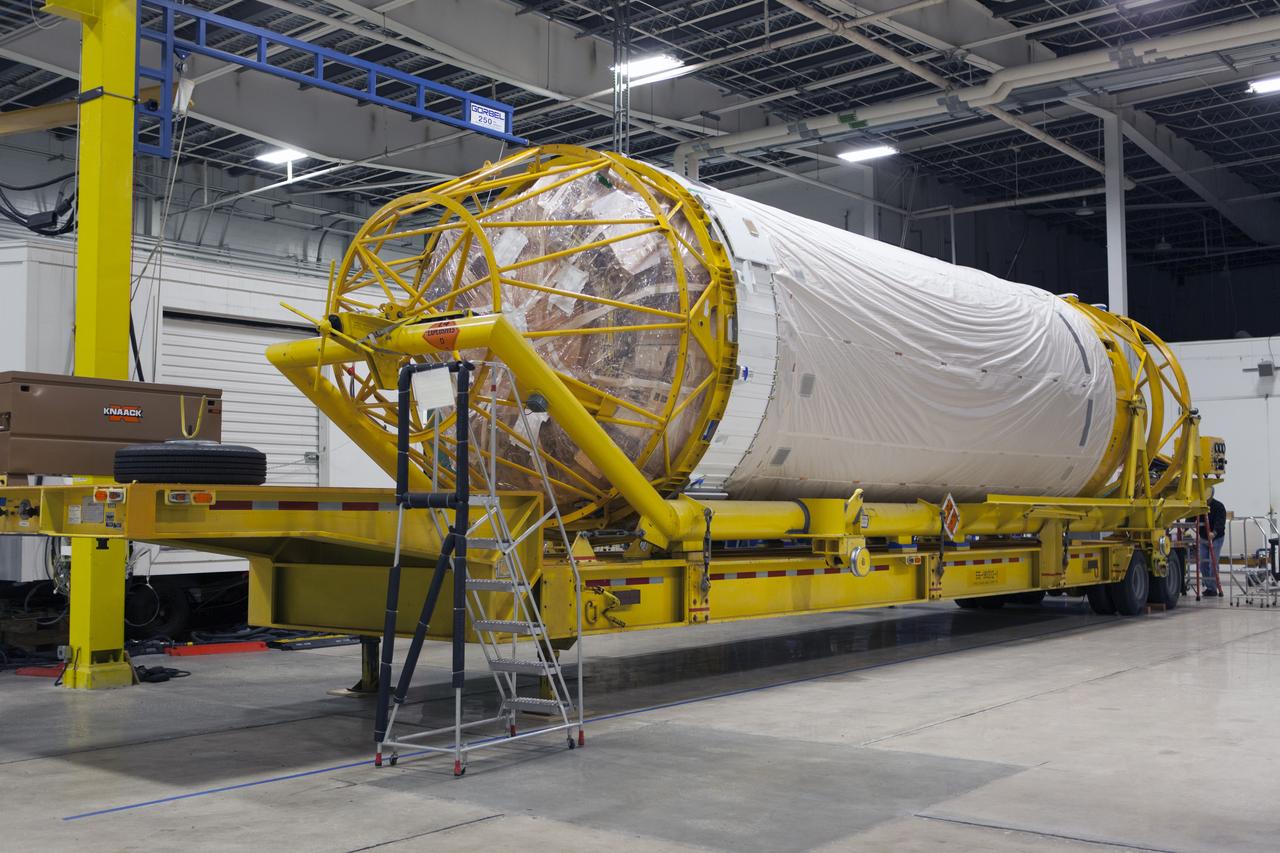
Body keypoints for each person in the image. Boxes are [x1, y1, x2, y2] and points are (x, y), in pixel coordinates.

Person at [1198, 489, 1226, 596]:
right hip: (1204, 538)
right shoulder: (1200, 506)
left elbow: (1220, 523)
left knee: (1212, 562)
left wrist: (1213, 533)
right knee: (1203, 564)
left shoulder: (1219, 506)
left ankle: (1213, 587)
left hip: (1216, 538)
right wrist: (1184, 528)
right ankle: (1210, 587)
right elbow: (1191, 517)